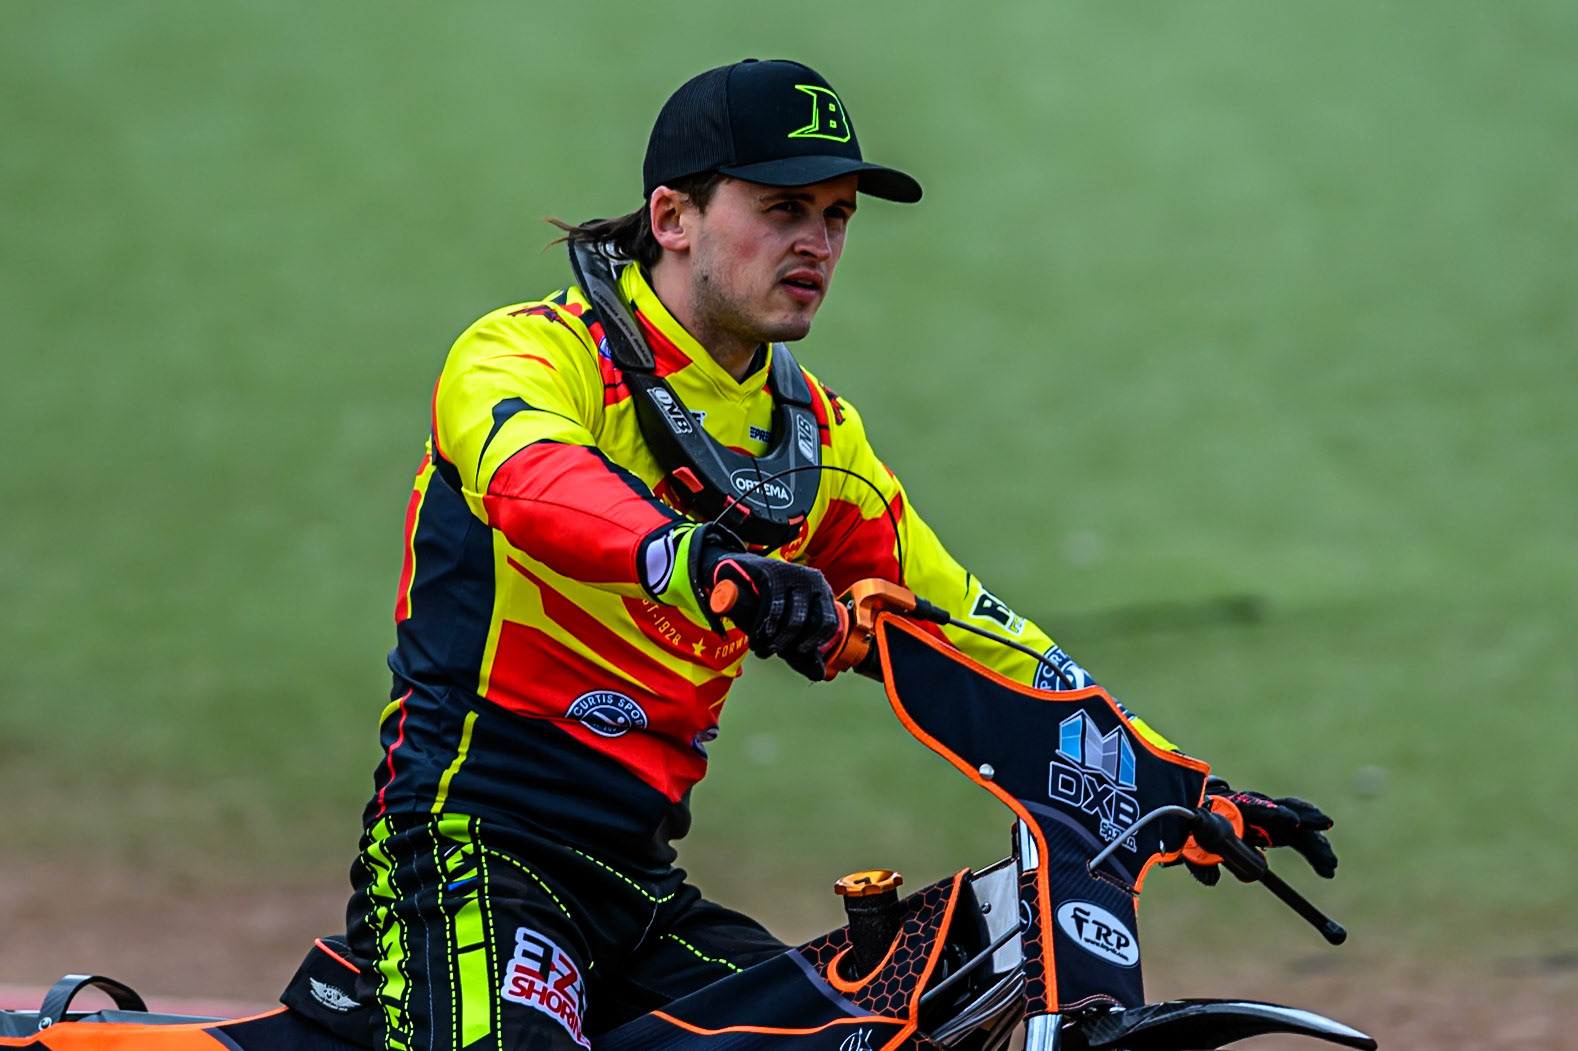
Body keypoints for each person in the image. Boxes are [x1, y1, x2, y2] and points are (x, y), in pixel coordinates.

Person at [338, 58, 1338, 1051]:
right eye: (782, 208)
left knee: (869, 1036)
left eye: (838, 215)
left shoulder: (819, 442)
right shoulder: (525, 356)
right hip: (466, 857)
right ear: (673, 217)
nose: (817, 242)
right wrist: (697, 562)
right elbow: (534, 482)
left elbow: (976, 634)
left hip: (639, 890)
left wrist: (1170, 783)